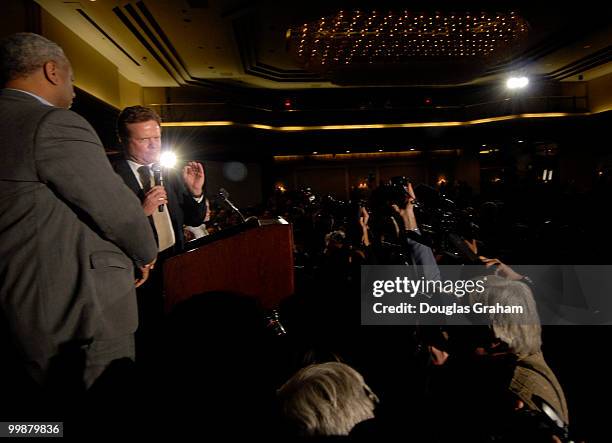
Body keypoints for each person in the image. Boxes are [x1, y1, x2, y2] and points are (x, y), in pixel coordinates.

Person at [0, 33, 158, 394]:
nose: (73, 90)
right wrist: (145, 253)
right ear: (52, 71)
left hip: (19, 306)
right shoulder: (52, 124)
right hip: (75, 313)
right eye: (72, 78)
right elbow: (116, 211)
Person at [113, 105, 207, 255]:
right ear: (122, 140)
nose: (154, 145)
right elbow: (107, 229)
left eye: (157, 137)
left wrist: (195, 193)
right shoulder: (109, 175)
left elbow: (194, 220)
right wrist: (142, 213)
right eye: (144, 139)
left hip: (176, 262)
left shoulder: (171, 173)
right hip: (139, 267)